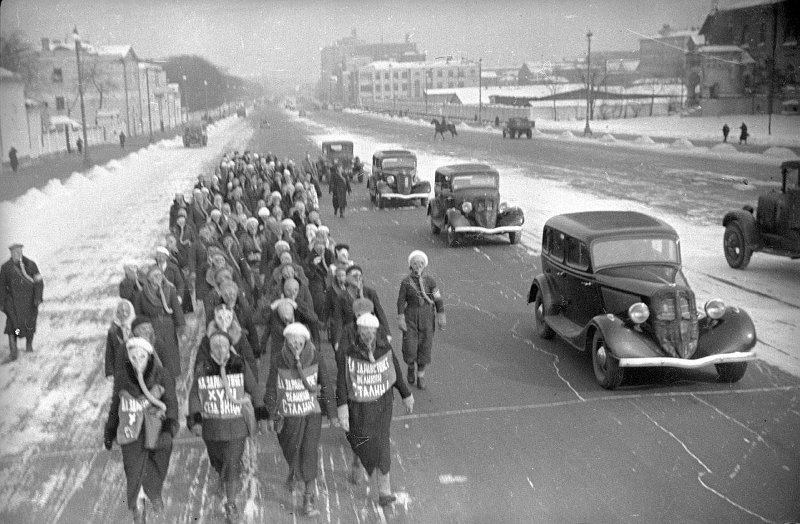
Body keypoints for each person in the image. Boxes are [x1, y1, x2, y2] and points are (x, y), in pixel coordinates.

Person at [188, 331, 267, 523]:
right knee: (218, 461)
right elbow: (194, 395)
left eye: (224, 345)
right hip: (212, 427)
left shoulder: (239, 364)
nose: (221, 349)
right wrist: (196, 420)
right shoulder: (203, 367)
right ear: (211, 349)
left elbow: (253, 388)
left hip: (235, 426)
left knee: (231, 463)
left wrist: (261, 413)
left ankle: (230, 504)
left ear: (229, 347)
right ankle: (221, 474)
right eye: (216, 346)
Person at [336, 313, 413, 507]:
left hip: (381, 405)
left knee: (381, 444)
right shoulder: (349, 352)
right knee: (360, 438)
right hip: (358, 406)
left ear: (376, 331)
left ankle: (384, 491)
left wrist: (406, 394)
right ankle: (357, 461)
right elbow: (342, 382)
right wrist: (343, 408)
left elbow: (395, 371)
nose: (368, 334)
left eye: (371, 331)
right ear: (358, 331)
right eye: (364, 331)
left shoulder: (385, 348)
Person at [104, 337, 178, 524]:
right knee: (133, 470)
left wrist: (170, 426)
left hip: (155, 429)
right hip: (131, 431)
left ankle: (153, 492)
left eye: (142, 357)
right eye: (134, 357)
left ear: (149, 357)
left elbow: (170, 402)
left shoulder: (161, 374)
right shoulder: (122, 377)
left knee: (158, 462)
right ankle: (138, 513)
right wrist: (110, 430)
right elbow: (116, 404)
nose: (138, 361)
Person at [264, 323, 335, 517]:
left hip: (311, 414)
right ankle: (294, 472)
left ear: (306, 340)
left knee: (309, 453)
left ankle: (308, 497)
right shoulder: (279, 359)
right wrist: (270, 414)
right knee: (291, 451)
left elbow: (326, 383)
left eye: (300, 339)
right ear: (286, 341)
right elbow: (271, 387)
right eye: (292, 339)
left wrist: (333, 413)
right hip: (288, 417)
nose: (296, 343)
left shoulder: (315, 356)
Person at [397, 251, 446, 390]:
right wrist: (400, 317)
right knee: (410, 348)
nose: (418, 266)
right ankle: (411, 367)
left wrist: (441, 314)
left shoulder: (430, 281)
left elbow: (437, 298)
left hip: (427, 318)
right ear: (410, 266)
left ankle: (420, 376)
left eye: (421, 263)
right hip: (411, 317)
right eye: (415, 263)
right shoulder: (406, 282)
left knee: (425, 347)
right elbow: (401, 301)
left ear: (425, 265)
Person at [134, 265, 185, 378]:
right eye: (154, 275)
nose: (158, 277)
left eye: (160, 274)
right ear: (149, 278)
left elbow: (177, 309)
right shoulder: (141, 295)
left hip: (168, 326)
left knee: (171, 350)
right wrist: (140, 331)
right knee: (156, 351)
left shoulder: (170, 290)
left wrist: (181, 326)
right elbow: (139, 316)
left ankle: (173, 376)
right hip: (152, 328)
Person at [1, 244, 44, 362]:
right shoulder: (5, 268)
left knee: (29, 325)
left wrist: (38, 298)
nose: (17, 254)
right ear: (11, 253)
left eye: (19, 252)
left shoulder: (31, 264)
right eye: (15, 252)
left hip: (30, 303)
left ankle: (28, 345)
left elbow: (39, 282)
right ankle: (13, 352)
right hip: (13, 305)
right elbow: (2, 287)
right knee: (13, 327)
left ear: (22, 252)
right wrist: (2, 303)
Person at [105, 299, 136, 378]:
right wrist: (109, 372)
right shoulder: (113, 330)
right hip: (119, 369)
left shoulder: (136, 327)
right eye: (119, 312)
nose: (123, 314)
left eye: (126, 311)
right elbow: (109, 352)